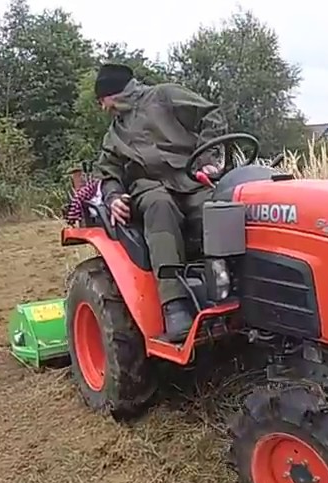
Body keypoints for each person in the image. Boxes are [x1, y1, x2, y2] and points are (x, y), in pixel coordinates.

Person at [90, 62, 227, 342]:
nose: (103, 109)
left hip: (192, 179)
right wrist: (114, 196)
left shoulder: (165, 96)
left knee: (219, 208)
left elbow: (212, 115)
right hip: (148, 187)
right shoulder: (113, 136)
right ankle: (174, 305)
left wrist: (208, 160)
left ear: (112, 94)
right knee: (159, 206)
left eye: (102, 101)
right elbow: (108, 173)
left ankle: (226, 286)